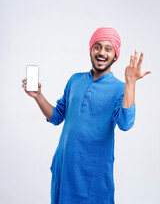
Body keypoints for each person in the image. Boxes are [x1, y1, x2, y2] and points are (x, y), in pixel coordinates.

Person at [22, 27, 151, 204]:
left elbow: (125, 123)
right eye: (97, 47)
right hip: (66, 167)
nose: (101, 52)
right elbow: (57, 116)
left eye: (108, 48)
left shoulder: (119, 88)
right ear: (90, 50)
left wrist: (130, 83)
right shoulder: (75, 80)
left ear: (115, 55)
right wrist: (38, 96)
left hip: (94, 174)